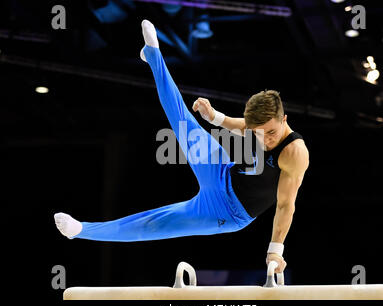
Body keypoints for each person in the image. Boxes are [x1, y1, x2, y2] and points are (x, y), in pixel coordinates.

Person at [54, 20, 309, 274]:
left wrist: (276, 249)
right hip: (221, 170)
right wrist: (215, 118)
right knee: (182, 120)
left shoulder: (294, 153)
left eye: (271, 133)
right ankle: (154, 55)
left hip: (225, 212)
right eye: (258, 133)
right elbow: (243, 125)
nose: (264, 139)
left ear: (284, 120)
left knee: (156, 225)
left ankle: (82, 230)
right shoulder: (260, 126)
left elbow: (286, 204)